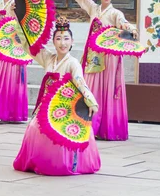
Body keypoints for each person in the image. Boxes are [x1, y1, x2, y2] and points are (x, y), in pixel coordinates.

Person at [13, 17, 100, 176]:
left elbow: (80, 81)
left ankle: (61, 163)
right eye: (58, 39)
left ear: (72, 41)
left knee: (61, 134)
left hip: (65, 106)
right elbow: (28, 45)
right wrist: (17, 20)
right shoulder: (48, 58)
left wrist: (90, 100)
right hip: (47, 104)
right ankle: (38, 160)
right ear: (53, 41)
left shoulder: (73, 63)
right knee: (34, 128)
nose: (63, 43)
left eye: (66, 39)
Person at [63, 0, 138, 141]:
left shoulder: (115, 13)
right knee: (90, 86)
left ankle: (107, 127)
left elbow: (124, 24)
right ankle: (90, 125)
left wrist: (132, 29)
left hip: (109, 57)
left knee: (107, 89)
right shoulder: (93, 8)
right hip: (93, 54)